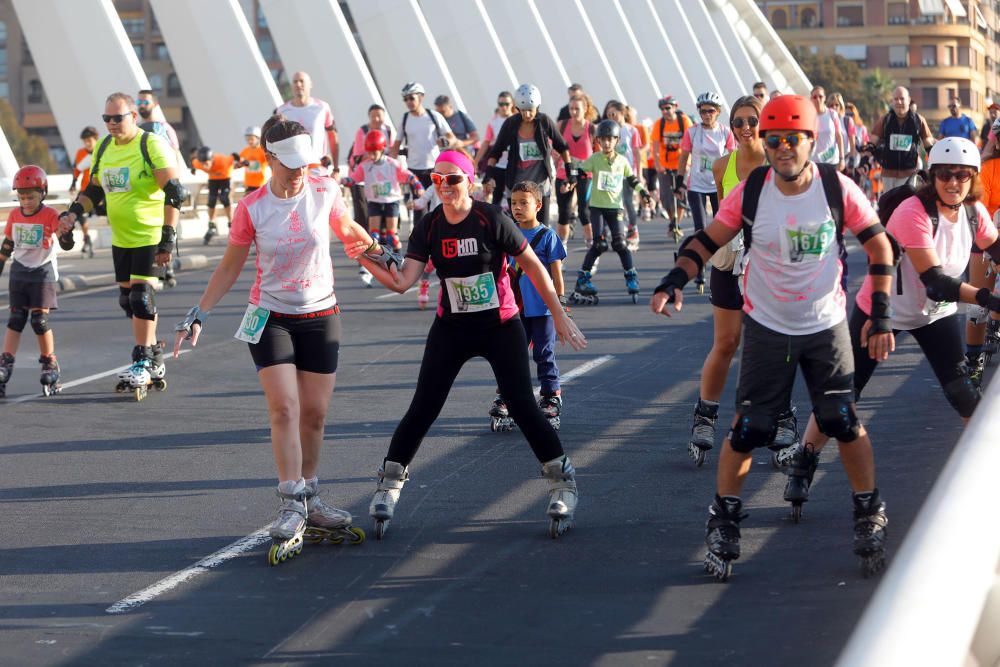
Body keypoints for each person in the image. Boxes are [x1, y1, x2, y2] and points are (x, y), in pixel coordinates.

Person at [651, 94, 896, 579]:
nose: (783, 148)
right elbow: (707, 239)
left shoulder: (836, 186)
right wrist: (674, 280)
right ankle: (723, 518)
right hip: (766, 327)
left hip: (824, 325)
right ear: (764, 142)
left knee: (841, 419)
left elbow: (879, 243)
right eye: (774, 139)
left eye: (793, 139)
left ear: (811, 140)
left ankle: (868, 509)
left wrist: (881, 314)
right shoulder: (753, 190)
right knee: (750, 430)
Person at [173, 116, 382, 565]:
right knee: (284, 407)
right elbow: (230, 266)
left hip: (321, 312)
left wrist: (391, 256)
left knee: (315, 414)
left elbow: (348, 233)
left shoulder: (324, 190)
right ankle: (290, 502)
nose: (299, 171)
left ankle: (311, 496)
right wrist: (200, 312)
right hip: (270, 317)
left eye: (304, 162)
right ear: (268, 158)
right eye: (289, 164)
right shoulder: (252, 208)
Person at [352, 150, 586, 540]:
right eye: (437, 179)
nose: (444, 186)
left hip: (500, 325)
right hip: (452, 327)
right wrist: (367, 257)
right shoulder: (429, 226)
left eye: (453, 179)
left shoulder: (490, 218)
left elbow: (531, 265)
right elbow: (402, 281)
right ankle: (389, 485)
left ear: (470, 181)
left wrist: (558, 312)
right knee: (424, 406)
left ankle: (562, 481)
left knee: (523, 406)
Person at [794, 137, 1000, 509]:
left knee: (965, 395)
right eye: (945, 175)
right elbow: (937, 283)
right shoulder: (913, 212)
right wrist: (989, 299)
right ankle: (804, 458)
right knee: (844, 397)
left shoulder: (974, 212)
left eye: (963, 176)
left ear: (973, 179)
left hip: (932, 317)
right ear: (932, 176)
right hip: (883, 309)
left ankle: (991, 474)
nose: (954, 183)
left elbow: (996, 248)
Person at [687, 95, 798, 467]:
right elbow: (723, 215)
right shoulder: (722, 166)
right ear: (730, 128)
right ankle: (705, 416)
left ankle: (782, 415)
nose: (746, 128)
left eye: (753, 121)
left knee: (773, 342)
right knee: (726, 342)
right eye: (739, 123)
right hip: (731, 262)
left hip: (770, 265)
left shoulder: (779, 164)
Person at [59, 92, 184, 400]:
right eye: (107, 119)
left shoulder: (150, 145)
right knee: (128, 301)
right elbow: (93, 190)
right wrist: (73, 215)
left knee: (142, 298)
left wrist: (168, 237)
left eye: (118, 118)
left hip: (149, 234)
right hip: (122, 238)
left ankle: (142, 359)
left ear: (134, 117)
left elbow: (175, 192)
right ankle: (155, 356)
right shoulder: (103, 147)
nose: (112, 124)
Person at [498, 180, 567, 428]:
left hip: (543, 309)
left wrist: (560, 306)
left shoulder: (547, 236)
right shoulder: (507, 233)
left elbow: (557, 275)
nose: (517, 207)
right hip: (514, 309)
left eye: (523, 203)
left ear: (537, 205)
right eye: (513, 203)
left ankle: (550, 397)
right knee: (511, 355)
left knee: (543, 353)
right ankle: (506, 395)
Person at [0, 166, 73, 398]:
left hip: (42, 272)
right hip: (20, 271)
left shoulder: (50, 214)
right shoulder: (14, 215)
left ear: (43, 193)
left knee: (39, 321)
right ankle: (6, 363)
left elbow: (65, 242)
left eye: (30, 196)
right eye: (21, 197)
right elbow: (8, 245)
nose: (26, 201)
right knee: (16, 319)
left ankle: (49, 362)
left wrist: (65, 233)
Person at [564, 120, 652, 304]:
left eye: (610, 140)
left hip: (616, 208)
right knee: (600, 244)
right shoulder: (595, 159)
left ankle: (631, 276)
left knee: (620, 243)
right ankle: (583, 279)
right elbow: (580, 171)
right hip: (597, 209)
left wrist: (643, 193)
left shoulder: (622, 161)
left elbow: (632, 179)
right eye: (602, 140)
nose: (606, 143)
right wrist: (570, 179)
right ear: (598, 141)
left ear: (617, 140)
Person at [486, 83, 574, 225]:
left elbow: (562, 146)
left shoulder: (544, 122)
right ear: (518, 109)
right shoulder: (511, 124)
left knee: (542, 229)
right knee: (520, 230)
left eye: (530, 110)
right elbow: (495, 152)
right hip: (516, 185)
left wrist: (571, 171)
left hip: (540, 185)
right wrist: (488, 175)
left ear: (537, 107)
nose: (527, 115)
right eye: (523, 110)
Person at [676, 91, 736, 292]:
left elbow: (732, 157)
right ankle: (699, 270)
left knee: (724, 229)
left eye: (711, 111)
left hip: (717, 184)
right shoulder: (692, 132)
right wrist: (679, 182)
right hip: (697, 186)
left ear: (718, 112)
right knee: (700, 229)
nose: (707, 115)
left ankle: (725, 266)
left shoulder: (725, 133)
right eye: (703, 111)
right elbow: (684, 157)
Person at [344, 129, 424, 252]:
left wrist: (417, 185)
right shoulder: (365, 165)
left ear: (382, 149)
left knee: (391, 236)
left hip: (392, 201)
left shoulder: (392, 164)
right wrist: (342, 181)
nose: (371, 156)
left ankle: (399, 260)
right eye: (369, 152)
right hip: (374, 201)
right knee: (374, 236)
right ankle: (376, 261)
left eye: (374, 152)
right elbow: (354, 178)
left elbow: (407, 175)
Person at [390, 81, 456, 227]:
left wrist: (444, 141)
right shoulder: (405, 119)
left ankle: (440, 232)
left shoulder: (434, 116)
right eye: (405, 99)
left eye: (411, 98)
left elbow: (452, 138)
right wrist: (389, 166)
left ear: (421, 97)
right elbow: (396, 145)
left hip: (434, 169)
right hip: (414, 170)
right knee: (418, 206)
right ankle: (420, 238)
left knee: (438, 203)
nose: (408, 102)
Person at [968, 118, 1000, 386]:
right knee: (977, 305)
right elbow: (982, 213)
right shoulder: (988, 169)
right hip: (990, 239)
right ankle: (974, 359)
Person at [870, 87, 934, 191]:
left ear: (908, 100)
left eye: (902, 99)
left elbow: (928, 145)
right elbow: (871, 143)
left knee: (905, 205)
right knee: (889, 205)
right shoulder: (885, 120)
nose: (899, 102)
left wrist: (935, 166)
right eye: (896, 99)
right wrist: (866, 161)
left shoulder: (919, 120)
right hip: (888, 173)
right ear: (892, 101)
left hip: (909, 173)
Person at [276, 71, 339, 176]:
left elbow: (333, 136)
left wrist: (336, 169)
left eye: (302, 81)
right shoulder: (282, 111)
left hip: (317, 169)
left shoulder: (322, 107)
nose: (298, 84)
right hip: (292, 170)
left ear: (310, 84)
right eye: (295, 82)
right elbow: (277, 142)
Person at [553, 96, 594, 246]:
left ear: (585, 109)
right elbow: (551, 144)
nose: (574, 112)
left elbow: (600, 152)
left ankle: (591, 243)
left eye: (577, 109)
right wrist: (554, 152)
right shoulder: (562, 125)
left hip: (585, 175)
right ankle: (560, 246)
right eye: (571, 109)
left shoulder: (591, 129)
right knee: (564, 212)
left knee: (584, 212)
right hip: (564, 173)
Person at [651, 95, 693, 239]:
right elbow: (655, 145)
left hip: (681, 164)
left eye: (668, 108)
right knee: (665, 197)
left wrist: (688, 163)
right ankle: (672, 219)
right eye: (662, 109)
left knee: (680, 194)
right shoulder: (659, 124)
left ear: (675, 107)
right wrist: (658, 164)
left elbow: (690, 143)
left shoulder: (684, 121)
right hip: (665, 165)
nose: (665, 111)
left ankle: (677, 222)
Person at [475, 91, 515, 206]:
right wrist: (476, 162)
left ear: (512, 104)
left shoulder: (517, 120)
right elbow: (486, 142)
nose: (504, 107)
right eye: (501, 104)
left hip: (513, 165)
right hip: (498, 165)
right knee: (496, 198)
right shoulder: (493, 122)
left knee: (513, 197)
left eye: (507, 104)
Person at [190, 146, 237, 244]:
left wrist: (241, 162)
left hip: (225, 177)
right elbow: (194, 163)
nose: (204, 166)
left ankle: (231, 223)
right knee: (211, 200)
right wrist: (193, 169)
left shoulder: (223, 160)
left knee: (225, 199)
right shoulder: (199, 163)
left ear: (212, 159)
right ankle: (212, 224)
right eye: (202, 164)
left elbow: (234, 156)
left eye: (206, 163)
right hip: (213, 179)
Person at [69, 126, 100, 258]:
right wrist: (73, 183)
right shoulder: (81, 153)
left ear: (95, 139)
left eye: (89, 141)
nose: (87, 143)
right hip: (85, 190)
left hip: (101, 190)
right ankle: (86, 239)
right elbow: (76, 170)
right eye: (85, 141)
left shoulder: (102, 151)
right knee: (80, 213)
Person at [810, 87, 845, 170]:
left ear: (824, 98)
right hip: (814, 162)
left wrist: (842, 159)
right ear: (811, 99)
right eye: (815, 97)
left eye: (820, 96)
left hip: (832, 161)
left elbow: (839, 136)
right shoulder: (809, 115)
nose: (818, 99)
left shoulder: (832, 114)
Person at [237, 126, 267, 196]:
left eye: (251, 139)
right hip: (248, 183)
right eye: (247, 139)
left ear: (258, 138)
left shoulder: (262, 151)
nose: (249, 141)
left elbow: (269, 164)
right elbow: (239, 163)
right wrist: (239, 164)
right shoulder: (245, 151)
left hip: (259, 184)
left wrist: (249, 163)